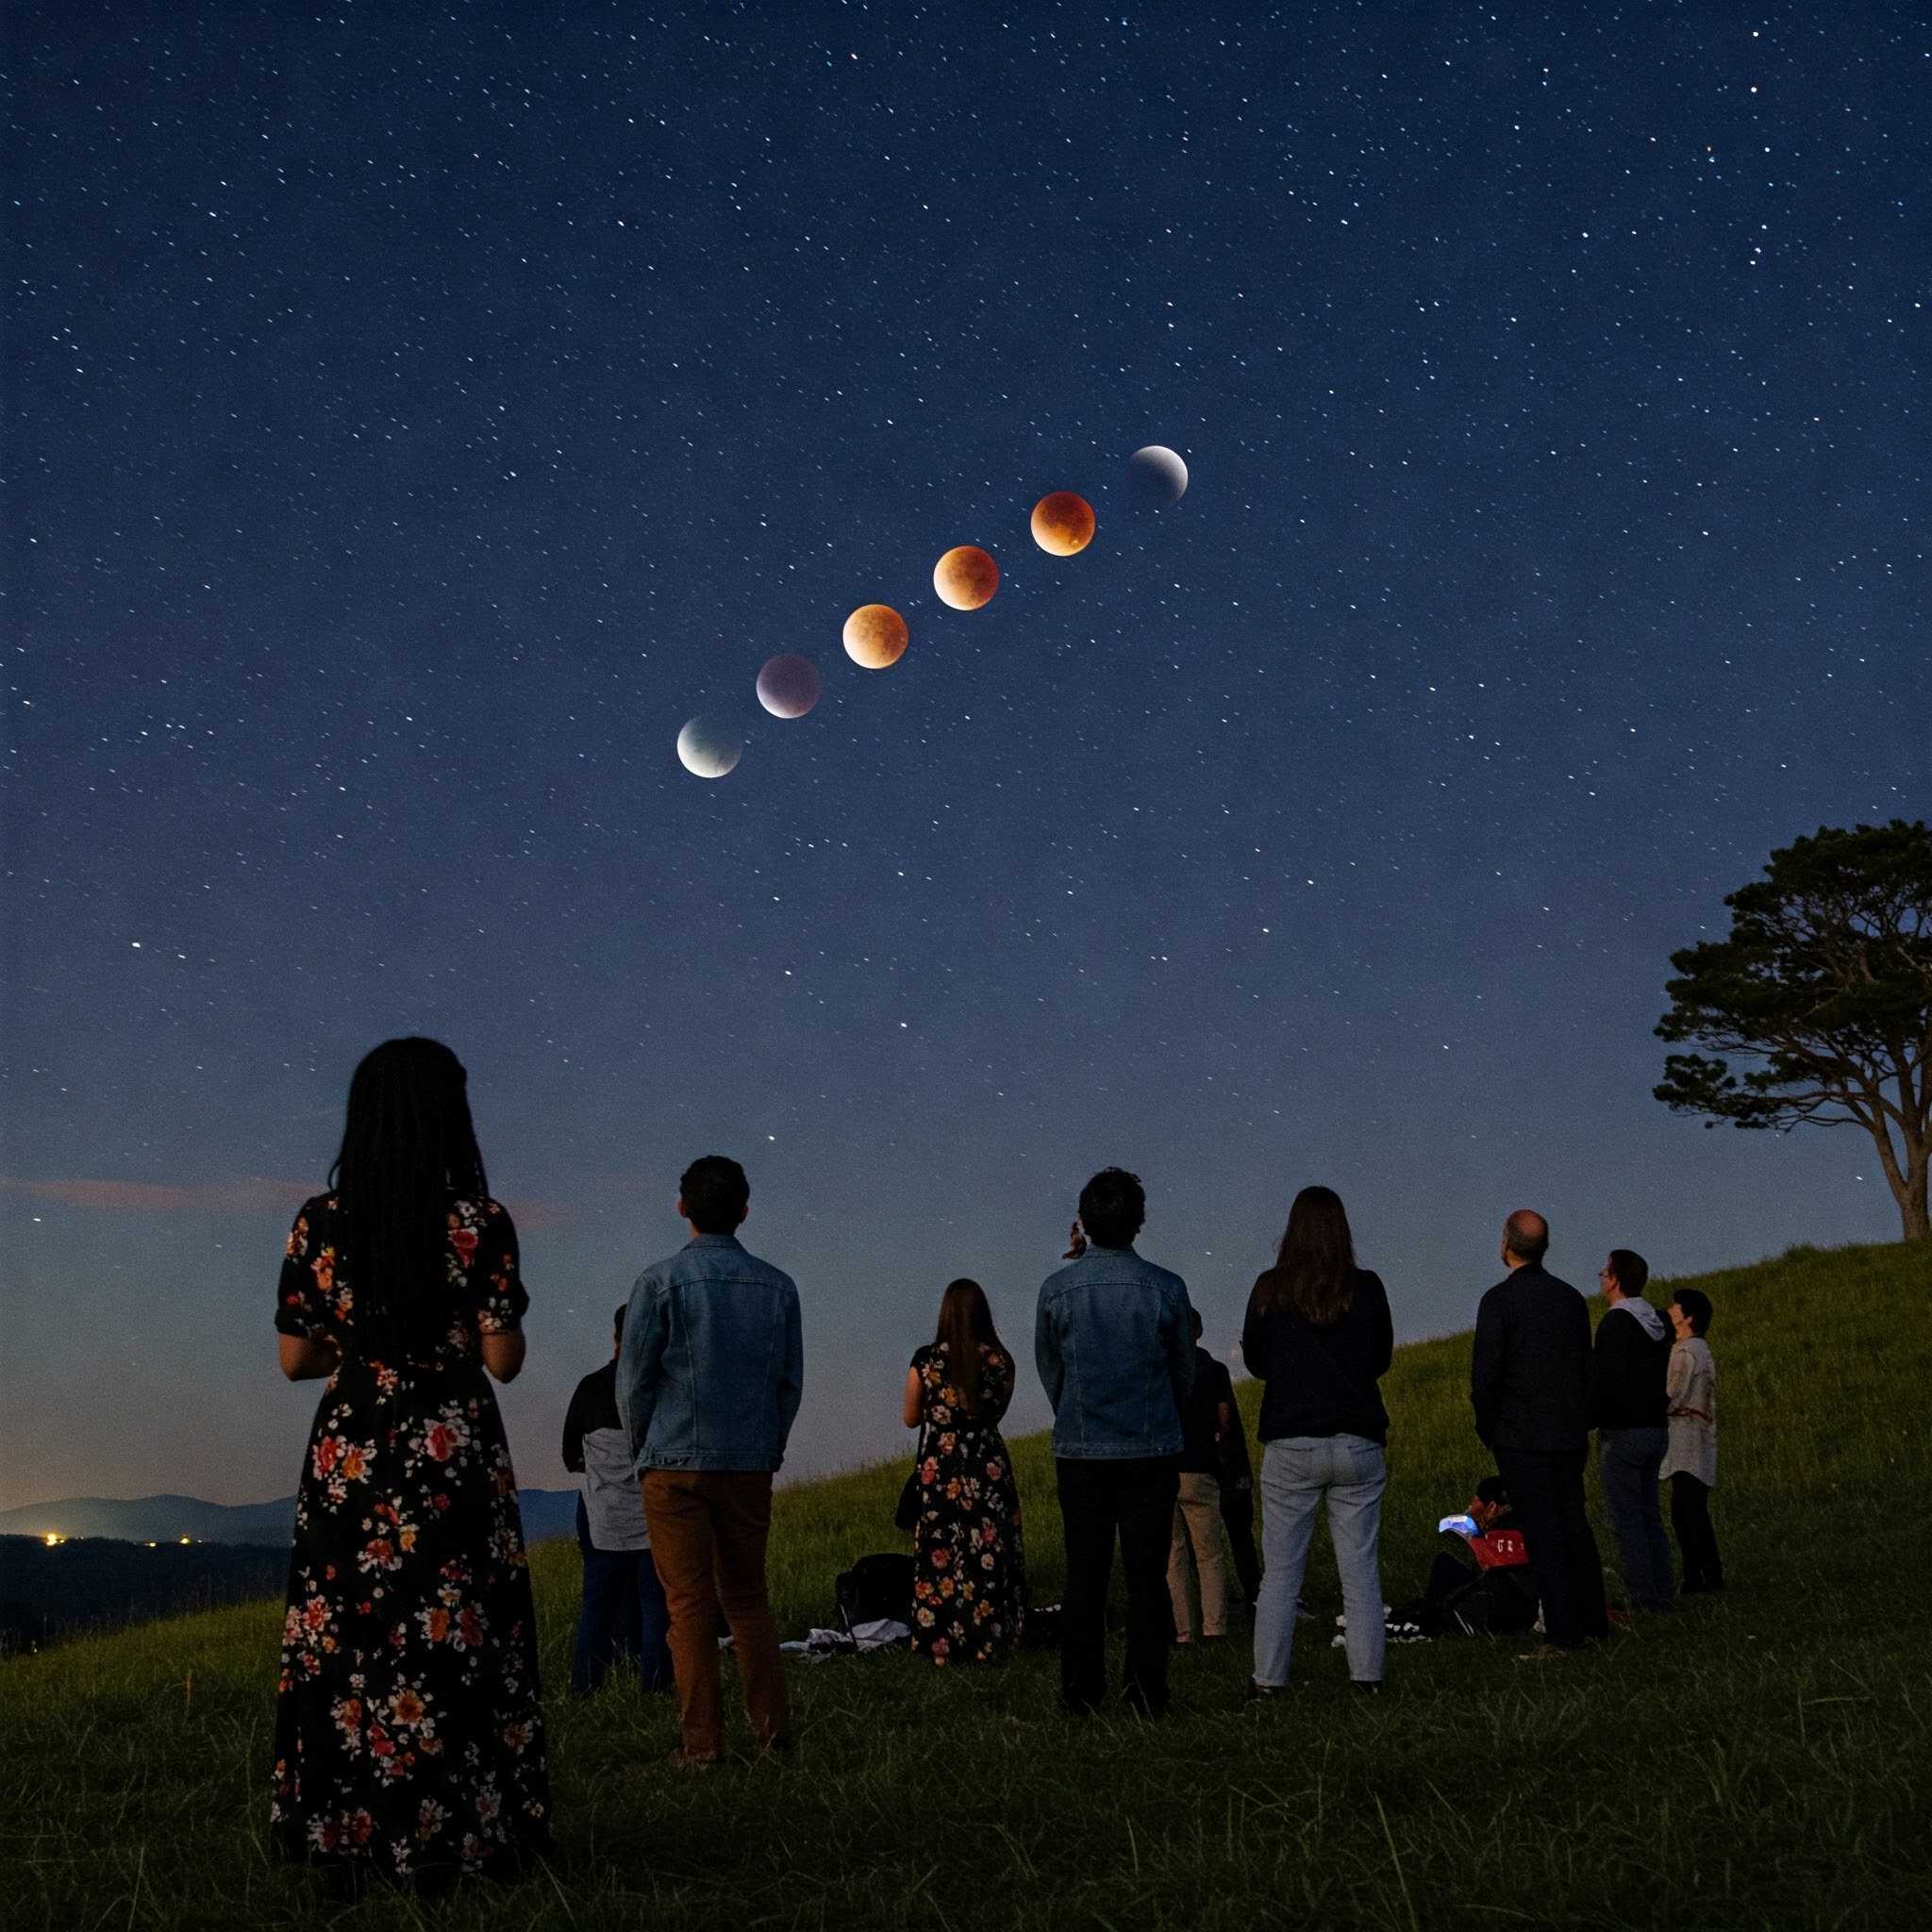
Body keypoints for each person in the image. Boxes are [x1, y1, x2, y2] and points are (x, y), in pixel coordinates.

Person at [270, 1037, 550, 1890]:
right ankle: (463, 1834)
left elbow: (293, 1361)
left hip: (353, 1446)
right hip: (451, 1446)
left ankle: (344, 1838)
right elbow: (504, 1360)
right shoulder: (480, 1224)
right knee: (460, 1631)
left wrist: (362, 1354)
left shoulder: (320, 1221)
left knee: (344, 1635)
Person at [618, 1155, 802, 1769]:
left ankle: (702, 1746)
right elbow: (788, 1382)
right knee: (749, 1599)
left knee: (688, 1606)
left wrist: (644, 1448)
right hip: (749, 1460)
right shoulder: (778, 1286)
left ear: (681, 1206)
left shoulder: (658, 1282)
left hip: (674, 1462)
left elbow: (634, 1382)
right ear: (745, 1210)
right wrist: (769, 1445)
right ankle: (773, 1737)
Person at [1035, 1167, 1193, 1717]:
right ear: (1139, 1221)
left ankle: (1080, 1696)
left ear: (1085, 1221)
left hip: (1081, 1452)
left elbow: (1050, 1370)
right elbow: (1183, 1375)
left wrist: (1077, 1414)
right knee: (1147, 1578)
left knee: (1085, 1577)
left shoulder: (1057, 1290)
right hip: (1150, 1451)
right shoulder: (1167, 1289)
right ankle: (1147, 1695)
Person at [1241, 1185, 1393, 1695]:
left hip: (1291, 1439)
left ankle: (1269, 1681)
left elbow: (1256, 1362)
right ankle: (1366, 1677)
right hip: (1356, 1435)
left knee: (1281, 1573)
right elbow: (1381, 1358)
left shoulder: (1269, 1288)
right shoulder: (1366, 1287)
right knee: (1360, 1568)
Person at [1470, 1209, 1609, 1658]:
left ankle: (1563, 1634)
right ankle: (1593, 1621)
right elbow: (1586, 1368)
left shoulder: (1499, 1301)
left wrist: (1489, 1427)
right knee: (1574, 1524)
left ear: (1506, 1244)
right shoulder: (1569, 1299)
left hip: (1520, 1435)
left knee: (1544, 1532)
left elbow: (1486, 1374)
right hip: (1567, 1434)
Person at [902, 1278, 1026, 1662]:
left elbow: (910, 1418)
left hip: (940, 1469)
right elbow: (998, 1411)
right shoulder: (1001, 1361)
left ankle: (941, 1641)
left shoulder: (925, 1361)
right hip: (987, 1465)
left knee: (940, 1551)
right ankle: (992, 1638)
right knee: (990, 1550)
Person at [562, 1305, 673, 1693]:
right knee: (656, 1607)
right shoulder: (663, 1391)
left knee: (595, 1608)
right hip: (652, 1518)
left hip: (600, 1519)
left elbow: (570, 1456)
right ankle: (657, 1686)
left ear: (615, 1338)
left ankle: (585, 1687)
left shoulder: (590, 1387)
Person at [1590, 1249, 1674, 1615]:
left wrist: (1588, 1419)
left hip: (1624, 1431)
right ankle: (1663, 1590)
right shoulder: (1657, 1322)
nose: (1602, 1277)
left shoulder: (1615, 1324)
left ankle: (1642, 1597)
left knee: (1627, 1518)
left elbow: (1604, 1382)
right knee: (1650, 1514)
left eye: (1605, 1272)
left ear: (1615, 1279)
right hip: (1656, 1427)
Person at [1168, 1309, 1233, 1645]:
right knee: (1209, 1554)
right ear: (1199, 1331)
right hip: (1201, 1467)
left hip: (1166, 1469)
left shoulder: (1163, 1372)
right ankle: (1214, 1627)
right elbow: (1225, 1419)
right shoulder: (1215, 1371)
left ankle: (1182, 1630)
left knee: (1173, 1554)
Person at [1662, 1288, 1724, 1591]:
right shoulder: (1698, 1349)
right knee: (1688, 1511)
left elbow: (1673, 1395)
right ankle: (1699, 1574)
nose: (1670, 1309)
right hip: (1693, 1438)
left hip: (1686, 1439)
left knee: (1688, 1513)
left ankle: (1702, 1576)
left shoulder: (1687, 1352)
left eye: (1676, 1306)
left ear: (1687, 1317)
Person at [1216, 1390, 1265, 1611]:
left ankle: (1207, 1604)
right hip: (1234, 1469)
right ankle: (1253, 1593)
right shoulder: (1216, 1371)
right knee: (1241, 1538)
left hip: (1195, 1467)